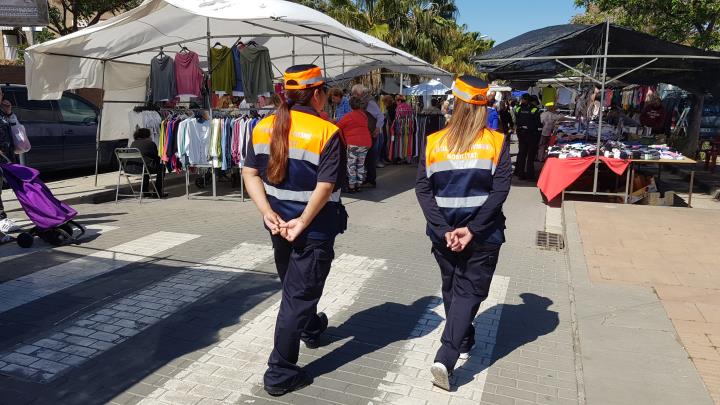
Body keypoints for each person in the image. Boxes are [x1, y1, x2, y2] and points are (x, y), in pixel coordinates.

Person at [242, 64, 347, 397]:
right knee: (296, 298)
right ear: (317, 94)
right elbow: (326, 185)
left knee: (296, 288)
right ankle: (280, 372)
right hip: (311, 232)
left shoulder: (262, 126)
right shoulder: (326, 131)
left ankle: (312, 327)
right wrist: (302, 221)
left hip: (276, 227)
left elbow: (249, 173)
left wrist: (267, 212)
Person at [415, 75, 511, 391]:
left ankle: (462, 335)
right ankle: (447, 354)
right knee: (468, 292)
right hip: (482, 236)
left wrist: (444, 230)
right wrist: (471, 230)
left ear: (455, 104)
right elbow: (500, 191)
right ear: (484, 106)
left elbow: (423, 189)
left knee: (451, 286)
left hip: (445, 235)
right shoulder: (497, 141)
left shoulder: (433, 142)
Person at [337, 96, 372, 193]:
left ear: (350, 105)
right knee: (360, 164)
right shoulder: (364, 115)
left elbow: (338, 126)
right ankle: (359, 185)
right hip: (365, 142)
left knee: (351, 165)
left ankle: (352, 186)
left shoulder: (348, 116)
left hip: (353, 143)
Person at [351, 84, 384, 184]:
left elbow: (380, 116)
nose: (353, 96)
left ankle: (371, 178)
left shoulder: (369, 102)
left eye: (354, 94)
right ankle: (369, 178)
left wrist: (377, 128)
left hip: (371, 133)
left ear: (358, 93)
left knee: (370, 156)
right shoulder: (365, 101)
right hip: (367, 133)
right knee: (367, 157)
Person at [0, 98, 20, 234]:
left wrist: (9, 113)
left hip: (5, 155)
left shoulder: (2, 111)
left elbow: (13, 129)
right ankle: (1, 218)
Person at [127, 128, 165, 198]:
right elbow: (156, 158)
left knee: (146, 165)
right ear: (147, 135)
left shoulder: (133, 143)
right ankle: (157, 192)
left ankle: (145, 191)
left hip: (129, 169)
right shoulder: (150, 143)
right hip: (142, 169)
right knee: (161, 167)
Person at [513, 93, 541, 180]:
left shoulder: (518, 109)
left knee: (522, 154)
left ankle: (520, 174)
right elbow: (538, 124)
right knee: (530, 156)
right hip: (531, 134)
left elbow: (516, 120)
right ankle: (530, 175)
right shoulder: (535, 110)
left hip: (521, 134)